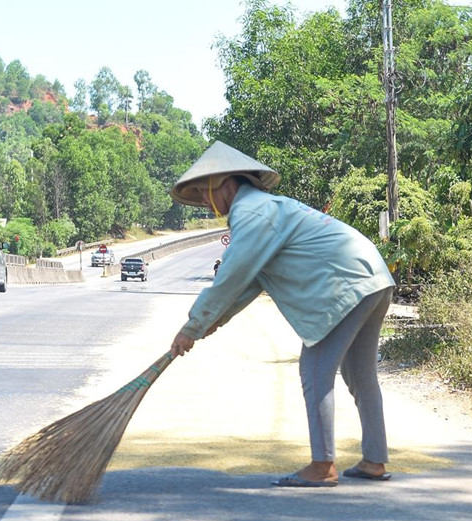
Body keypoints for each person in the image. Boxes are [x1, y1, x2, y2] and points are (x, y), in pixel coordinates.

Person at [168, 142, 396, 488]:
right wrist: (211, 322)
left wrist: (193, 326)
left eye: (203, 192)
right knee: (360, 374)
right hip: (373, 277)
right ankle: (374, 460)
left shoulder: (251, 214)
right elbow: (248, 283)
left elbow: (231, 276)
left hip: (349, 283)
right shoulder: (265, 210)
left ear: (225, 183)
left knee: (316, 369)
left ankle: (323, 465)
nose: (204, 201)